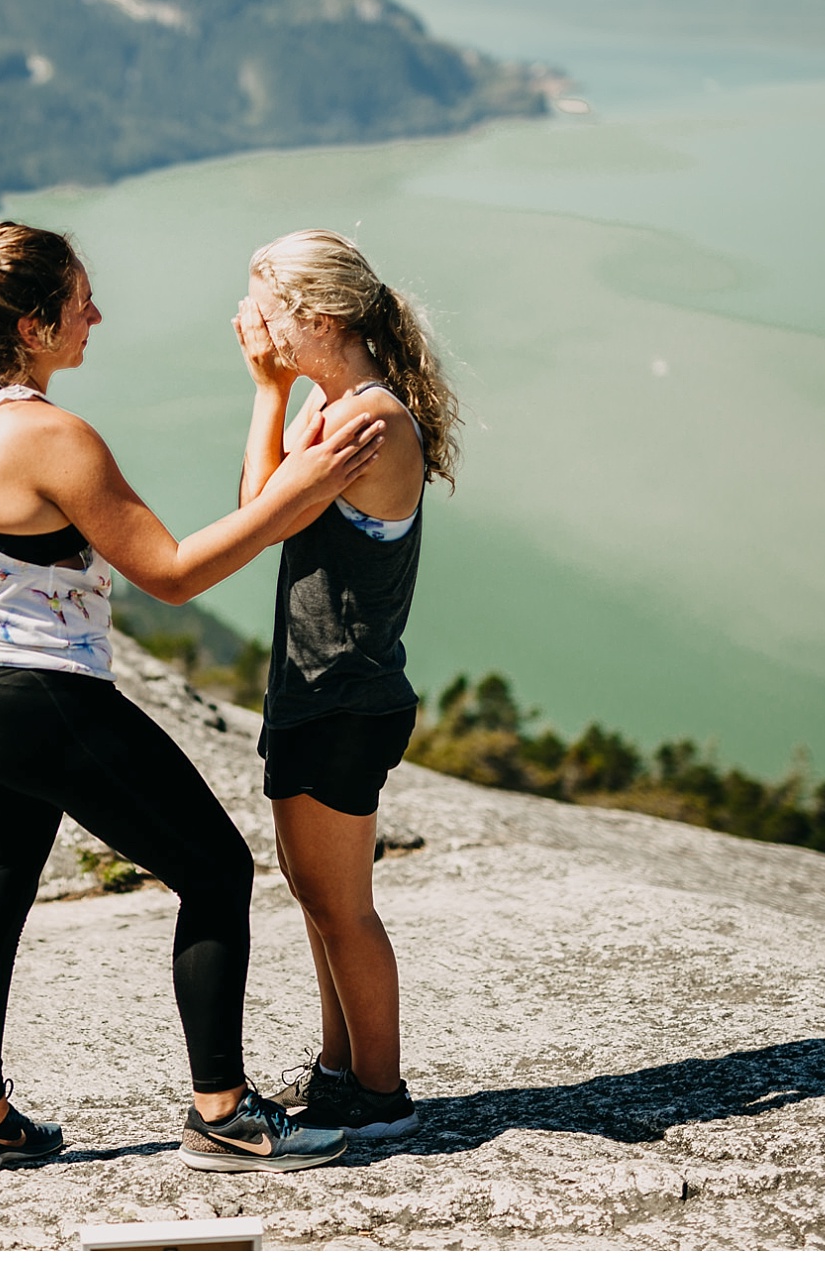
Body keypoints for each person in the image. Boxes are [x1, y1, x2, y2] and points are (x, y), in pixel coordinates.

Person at [0, 221, 385, 1177]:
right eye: (79, 301)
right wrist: (304, 485)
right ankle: (224, 1116)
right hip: (43, 697)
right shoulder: (49, 438)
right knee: (217, 871)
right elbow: (176, 573)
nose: (96, 314)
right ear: (33, 327)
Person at [233, 228, 461, 1140]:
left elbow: (252, 520)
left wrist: (266, 392)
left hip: (343, 695)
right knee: (319, 897)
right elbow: (266, 500)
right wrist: (274, 393)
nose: (251, 324)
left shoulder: (365, 423)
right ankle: (340, 1072)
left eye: (265, 307)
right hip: (321, 691)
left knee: (343, 907)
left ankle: (380, 1092)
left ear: (316, 316)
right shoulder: (333, 413)